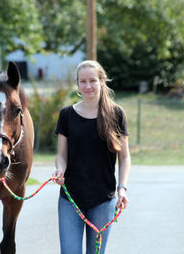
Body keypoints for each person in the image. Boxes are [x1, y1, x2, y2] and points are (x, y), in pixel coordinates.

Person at [53, 60, 131, 254]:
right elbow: (61, 155)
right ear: (78, 84)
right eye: (83, 81)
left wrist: (122, 188)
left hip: (103, 200)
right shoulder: (67, 115)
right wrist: (60, 170)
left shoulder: (116, 114)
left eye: (92, 80)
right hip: (70, 198)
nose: (88, 86)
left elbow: (125, 158)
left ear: (102, 81)